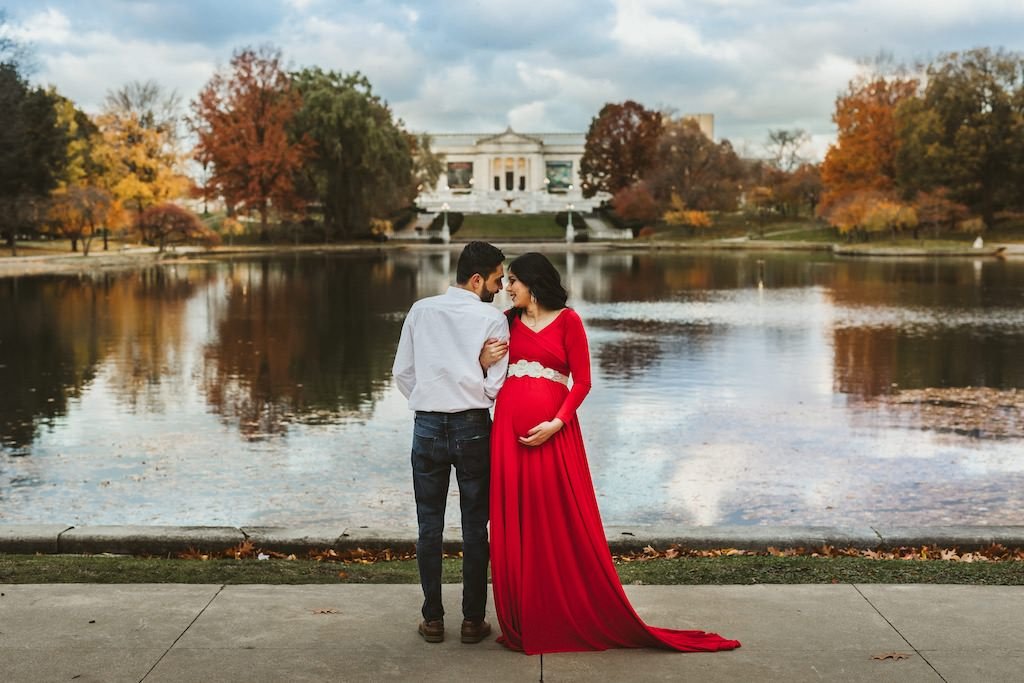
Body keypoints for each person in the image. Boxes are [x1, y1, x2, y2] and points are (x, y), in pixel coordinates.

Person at [484, 252, 741, 655]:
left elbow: (582, 382)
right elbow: (487, 371)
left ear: (533, 283)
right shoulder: (507, 322)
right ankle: (522, 613)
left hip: (554, 435)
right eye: (506, 281)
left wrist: (557, 423)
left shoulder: (569, 321)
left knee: (557, 517)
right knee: (518, 518)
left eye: (513, 280)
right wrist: (483, 361)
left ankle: (560, 609)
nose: (506, 287)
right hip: (507, 437)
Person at [392, 241, 510, 645]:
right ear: (476, 279)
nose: (500, 288)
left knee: (429, 527)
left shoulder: (420, 311)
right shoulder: (492, 320)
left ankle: (433, 620)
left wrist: (431, 399)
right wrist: (473, 369)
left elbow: (403, 373)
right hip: (473, 428)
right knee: (476, 528)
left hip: (426, 427)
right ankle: (473, 622)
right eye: (496, 279)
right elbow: (496, 388)